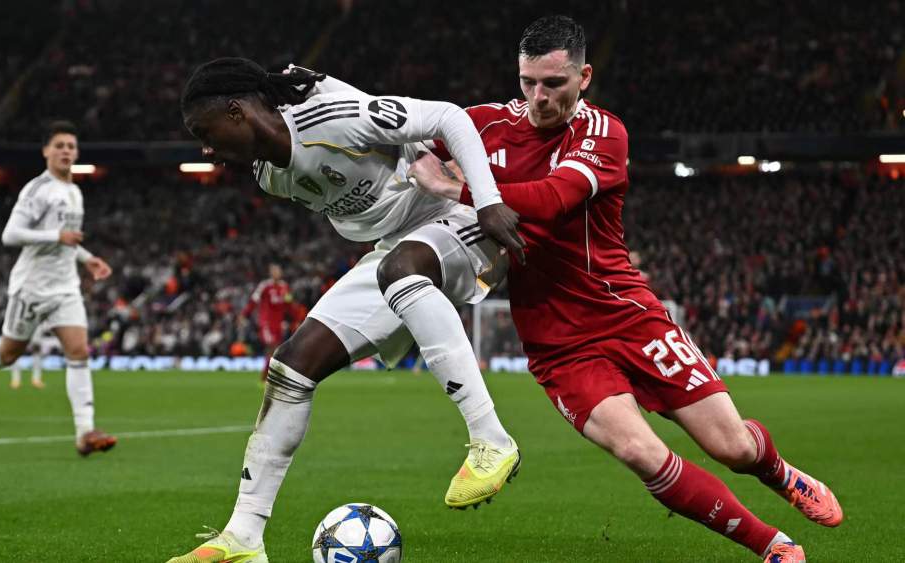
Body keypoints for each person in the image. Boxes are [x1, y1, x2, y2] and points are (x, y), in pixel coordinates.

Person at [408, 15, 841, 563]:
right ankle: (773, 546)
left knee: (731, 446)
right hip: (556, 342)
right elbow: (399, 129)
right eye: (527, 83)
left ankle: (779, 473)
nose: (539, 98)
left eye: (554, 84)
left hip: (627, 315)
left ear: (584, 76)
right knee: (640, 451)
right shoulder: (483, 125)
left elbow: (549, 200)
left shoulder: (604, 134)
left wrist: (454, 184)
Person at [167, 58, 524, 563]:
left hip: (463, 222)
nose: (206, 148)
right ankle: (243, 538)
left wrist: (485, 200)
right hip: (395, 249)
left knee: (401, 268)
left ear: (236, 111)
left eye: (206, 132)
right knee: (292, 365)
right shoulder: (270, 175)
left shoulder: (331, 119)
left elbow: (449, 117)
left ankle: (491, 439)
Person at [0, 121, 118, 458]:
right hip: (31, 287)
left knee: (78, 351)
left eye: (71, 146)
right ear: (46, 151)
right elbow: (11, 234)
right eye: (59, 145)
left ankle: (84, 432)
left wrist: (88, 258)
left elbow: (66, 242)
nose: (66, 151)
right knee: (8, 354)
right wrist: (56, 237)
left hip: (65, 287)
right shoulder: (37, 190)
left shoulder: (75, 192)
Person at [240, 263, 294, 383]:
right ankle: (266, 379)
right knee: (272, 348)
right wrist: (244, 314)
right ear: (270, 273)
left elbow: (289, 305)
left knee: (276, 351)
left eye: (278, 271)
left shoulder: (285, 287)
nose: (277, 273)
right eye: (274, 271)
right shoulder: (265, 286)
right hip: (266, 324)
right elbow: (253, 301)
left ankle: (268, 378)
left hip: (278, 324)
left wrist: (296, 318)